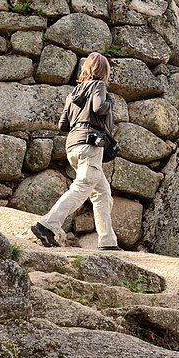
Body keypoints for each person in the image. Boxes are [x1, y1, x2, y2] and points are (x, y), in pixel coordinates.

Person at [32, 52, 120, 250]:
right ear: (103, 71)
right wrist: (110, 103)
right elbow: (99, 108)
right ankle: (47, 225)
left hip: (73, 145)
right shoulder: (99, 86)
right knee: (81, 188)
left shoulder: (72, 94)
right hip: (90, 145)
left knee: (102, 193)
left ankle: (107, 241)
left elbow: (63, 124)